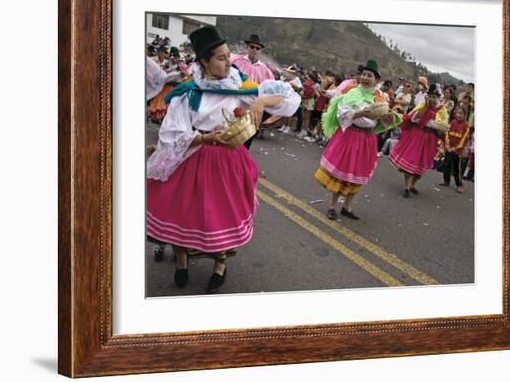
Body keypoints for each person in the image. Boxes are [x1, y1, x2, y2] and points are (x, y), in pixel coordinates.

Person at [146, 25, 300, 293]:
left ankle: (220, 265)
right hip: (194, 158)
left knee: (223, 216)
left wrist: (261, 102)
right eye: (220, 57)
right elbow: (172, 133)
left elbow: (289, 97)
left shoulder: (241, 85)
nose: (228, 61)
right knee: (185, 213)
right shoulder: (189, 92)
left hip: (228, 161)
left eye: (228, 55)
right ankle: (181, 261)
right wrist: (204, 138)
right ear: (204, 62)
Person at [315, 59, 401, 220]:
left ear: (377, 80)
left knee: (358, 174)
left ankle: (347, 206)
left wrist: (389, 117)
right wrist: (362, 113)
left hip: (367, 139)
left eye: (370, 75)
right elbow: (343, 114)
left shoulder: (380, 96)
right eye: (364, 74)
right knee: (341, 173)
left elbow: (382, 118)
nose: (365, 78)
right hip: (350, 136)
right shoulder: (353, 92)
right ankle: (332, 206)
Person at [389, 83, 449, 197]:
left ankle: (412, 185)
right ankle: (407, 187)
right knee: (411, 161)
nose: (431, 99)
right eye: (430, 96)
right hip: (416, 136)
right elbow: (414, 118)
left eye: (434, 97)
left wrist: (434, 125)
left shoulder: (442, 110)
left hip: (430, 140)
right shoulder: (422, 105)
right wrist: (426, 109)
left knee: (420, 166)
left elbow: (443, 126)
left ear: (438, 98)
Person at [439, 107, 470, 193]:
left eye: (461, 114)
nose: (459, 115)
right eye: (458, 113)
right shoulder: (452, 122)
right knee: (446, 164)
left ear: (465, 115)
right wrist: (447, 145)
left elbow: (464, 140)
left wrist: (455, 148)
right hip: (449, 148)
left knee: (457, 168)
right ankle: (446, 180)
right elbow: (447, 133)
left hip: (457, 151)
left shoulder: (466, 126)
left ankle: (459, 184)